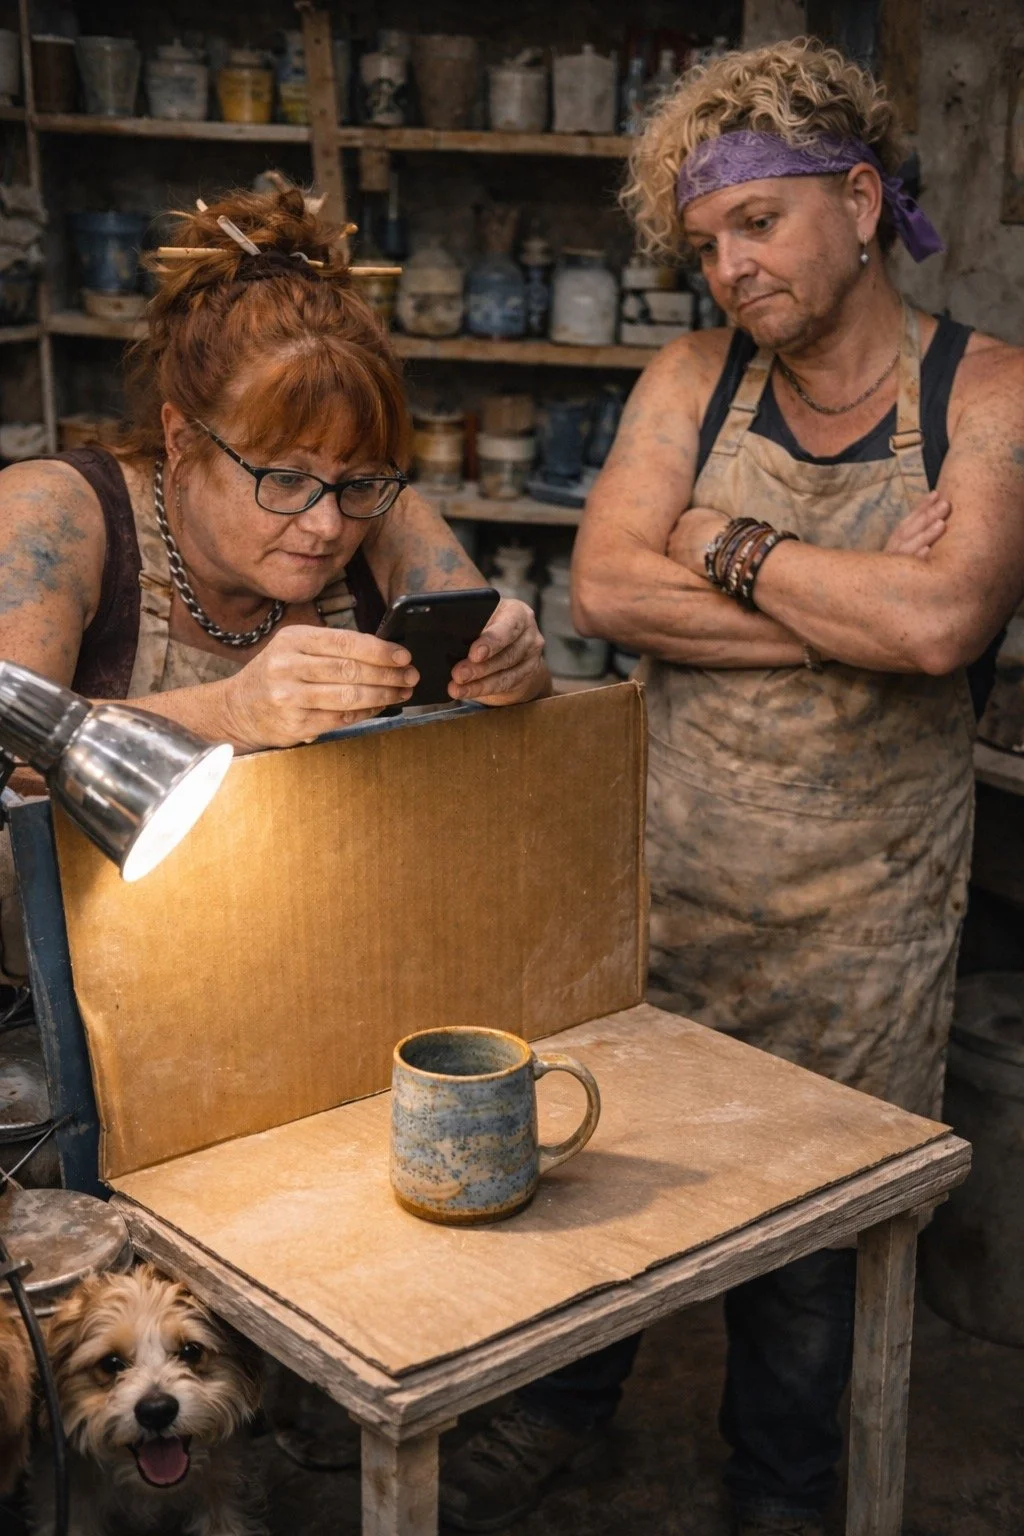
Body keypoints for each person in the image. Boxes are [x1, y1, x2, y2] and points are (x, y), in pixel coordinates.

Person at [439, 39, 1024, 1536]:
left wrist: (722, 542)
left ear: (860, 199)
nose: (729, 268)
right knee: (607, 1174)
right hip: (675, 887)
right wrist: (849, 601)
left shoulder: (992, 392)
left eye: (757, 223)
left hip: (865, 925)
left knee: (816, 1237)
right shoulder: (693, 379)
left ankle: (781, 1486)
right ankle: (556, 1413)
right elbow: (606, 591)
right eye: (705, 242)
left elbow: (943, 626)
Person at [0, 186, 547, 982]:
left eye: (358, 481)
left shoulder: (379, 510)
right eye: (284, 479)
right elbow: (9, 752)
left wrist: (517, 673)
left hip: (301, 968)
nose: (326, 525)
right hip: (69, 978)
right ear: (181, 438)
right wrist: (231, 713)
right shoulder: (54, 515)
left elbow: (502, 757)